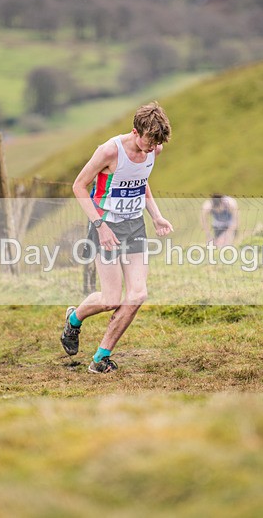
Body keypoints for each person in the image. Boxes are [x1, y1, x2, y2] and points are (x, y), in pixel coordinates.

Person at [60, 102, 174, 373]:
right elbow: (78, 185)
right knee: (111, 299)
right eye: (148, 142)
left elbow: (140, 181)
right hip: (107, 227)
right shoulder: (110, 151)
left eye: (156, 144)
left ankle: (100, 358)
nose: (151, 148)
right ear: (136, 131)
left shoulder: (154, 147)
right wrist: (99, 226)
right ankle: (73, 320)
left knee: (138, 294)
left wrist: (156, 215)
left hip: (134, 227)